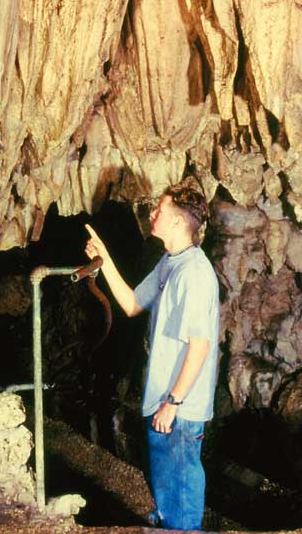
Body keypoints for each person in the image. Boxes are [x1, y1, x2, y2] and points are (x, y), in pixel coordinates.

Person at [84, 184, 219, 531]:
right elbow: (130, 304)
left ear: (177, 222)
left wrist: (173, 402)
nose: (152, 215)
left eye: (159, 210)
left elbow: (200, 346)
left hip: (179, 407)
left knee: (183, 491)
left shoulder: (194, 274)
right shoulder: (171, 263)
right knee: (166, 489)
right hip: (163, 399)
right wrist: (105, 258)